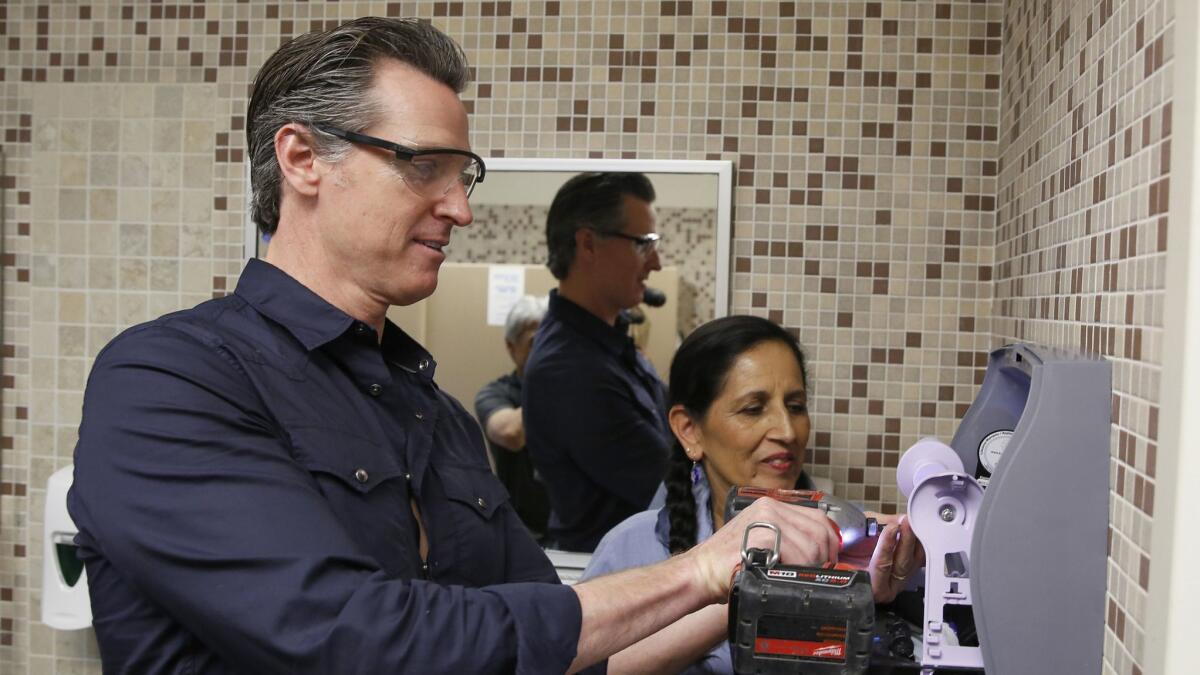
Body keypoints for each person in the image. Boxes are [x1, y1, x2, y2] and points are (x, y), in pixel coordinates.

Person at [67, 17, 849, 674]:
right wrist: (700, 564)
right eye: (423, 166)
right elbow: (363, 640)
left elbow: (570, 647)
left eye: (462, 174)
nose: (460, 209)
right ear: (302, 158)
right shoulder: (170, 379)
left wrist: (768, 579)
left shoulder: (433, 414)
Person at [581, 315, 925, 674]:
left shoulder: (860, 547)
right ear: (689, 431)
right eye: (753, 409)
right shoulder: (631, 550)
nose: (787, 431)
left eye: (795, 407)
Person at [523, 172, 672, 552]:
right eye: (643, 244)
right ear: (588, 244)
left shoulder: (610, 346)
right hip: (611, 574)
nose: (655, 263)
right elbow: (668, 481)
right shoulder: (570, 371)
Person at [474, 295, 552, 540]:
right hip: (522, 530)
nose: (545, 350)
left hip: (577, 527)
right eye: (535, 343)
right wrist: (549, 378)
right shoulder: (495, 393)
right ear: (511, 345)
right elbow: (510, 433)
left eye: (551, 341)